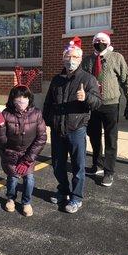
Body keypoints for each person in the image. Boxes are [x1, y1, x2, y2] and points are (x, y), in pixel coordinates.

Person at [43, 37, 101, 213]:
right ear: (63, 59)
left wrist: (87, 98)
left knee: (78, 166)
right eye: (68, 57)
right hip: (57, 129)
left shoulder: (88, 79)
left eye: (75, 57)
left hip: (76, 130)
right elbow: (48, 103)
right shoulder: (56, 80)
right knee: (58, 164)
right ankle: (63, 191)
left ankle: (76, 198)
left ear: (80, 59)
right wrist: (47, 121)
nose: (71, 60)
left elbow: (98, 102)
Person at [0, 67, 47, 217]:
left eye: (25, 97)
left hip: (29, 154)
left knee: (29, 179)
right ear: (12, 99)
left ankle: (26, 202)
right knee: (13, 178)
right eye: (18, 97)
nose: (22, 100)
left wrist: (28, 159)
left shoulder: (37, 114)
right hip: (11, 154)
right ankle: (10, 198)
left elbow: (41, 138)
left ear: (30, 98)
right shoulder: (6, 114)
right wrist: (0, 127)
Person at [82, 32, 128, 187]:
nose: (99, 43)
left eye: (103, 40)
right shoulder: (88, 60)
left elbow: (126, 79)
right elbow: (82, 80)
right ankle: (97, 164)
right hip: (93, 104)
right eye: (97, 41)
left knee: (111, 138)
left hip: (111, 104)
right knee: (94, 135)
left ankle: (108, 172)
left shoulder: (117, 58)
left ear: (108, 42)